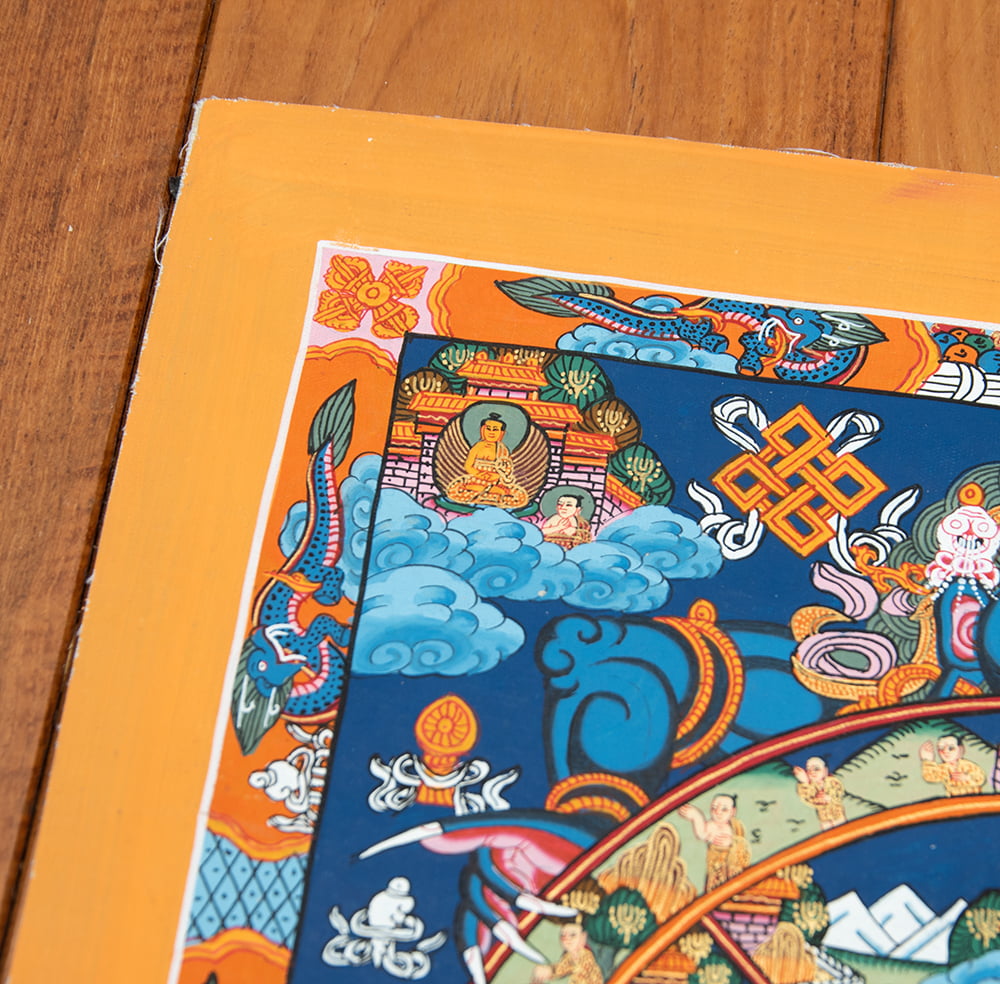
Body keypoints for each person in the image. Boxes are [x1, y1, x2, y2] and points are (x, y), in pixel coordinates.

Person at [447, 412, 528, 508]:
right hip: (477, 479)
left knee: (517, 495)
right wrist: (479, 474)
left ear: (502, 433)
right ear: (482, 430)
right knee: (456, 490)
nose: (491, 432)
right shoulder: (478, 446)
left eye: (495, 429)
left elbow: (506, 470)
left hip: (495, 481)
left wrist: (497, 475)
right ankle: (486, 492)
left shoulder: (503, 449)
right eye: (488, 429)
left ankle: (486, 491)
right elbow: (468, 465)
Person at [678, 794, 750, 891]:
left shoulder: (736, 826)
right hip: (716, 866)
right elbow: (702, 834)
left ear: (733, 812)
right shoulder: (712, 825)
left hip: (732, 866)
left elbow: (742, 845)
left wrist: (733, 842)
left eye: (724, 809)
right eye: (714, 808)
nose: (718, 812)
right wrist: (697, 817)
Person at [531, 921, 603, 984]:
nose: (566, 939)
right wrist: (549, 970)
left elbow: (579, 975)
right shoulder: (569, 956)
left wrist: (550, 971)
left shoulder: (586, 957)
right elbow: (562, 968)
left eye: (572, 935)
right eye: (562, 935)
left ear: (583, 937)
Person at [919, 734, 985, 796]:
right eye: (941, 748)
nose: (945, 751)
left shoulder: (968, 765)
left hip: (974, 797)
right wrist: (928, 761)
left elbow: (980, 779)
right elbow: (930, 777)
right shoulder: (943, 768)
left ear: (961, 749)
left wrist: (967, 778)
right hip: (953, 798)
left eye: (951, 748)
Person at [794, 756, 847, 830]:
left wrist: (829, 798)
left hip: (838, 815)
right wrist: (805, 782)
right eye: (809, 769)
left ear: (825, 771)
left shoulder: (832, 782)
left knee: (843, 829)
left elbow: (839, 794)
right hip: (824, 818)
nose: (812, 772)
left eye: (816, 769)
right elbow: (808, 799)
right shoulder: (810, 786)